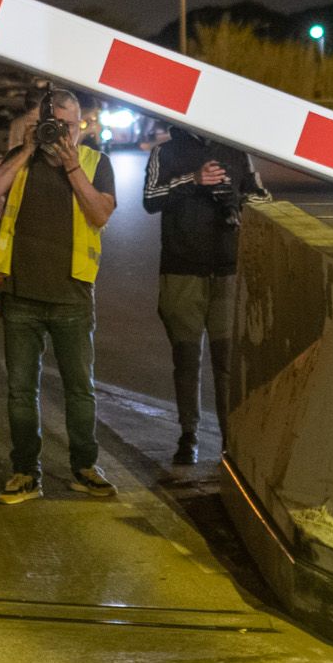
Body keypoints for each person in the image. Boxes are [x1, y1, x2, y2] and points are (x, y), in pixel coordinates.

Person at [0, 85, 117, 505]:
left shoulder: (95, 162)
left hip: (72, 296)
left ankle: (84, 467)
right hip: (21, 294)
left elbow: (99, 214)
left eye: (69, 126)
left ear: (81, 126)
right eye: (54, 125)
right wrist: (25, 148)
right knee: (21, 390)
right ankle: (25, 472)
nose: (63, 134)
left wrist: (73, 168)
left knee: (80, 389)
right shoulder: (23, 161)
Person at [142, 126, 269, 464]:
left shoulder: (237, 151)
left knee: (226, 363)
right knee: (186, 359)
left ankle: (230, 443)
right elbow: (150, 199)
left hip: (227, 271)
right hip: (181, 270)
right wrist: (193, 181)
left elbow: (262, 198)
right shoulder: (165, 152)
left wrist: (238, 201)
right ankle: (189, 435)